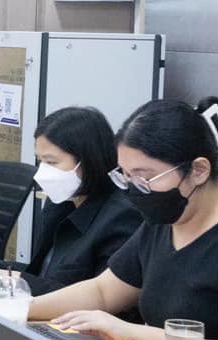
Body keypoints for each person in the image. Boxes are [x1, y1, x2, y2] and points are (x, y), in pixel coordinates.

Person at [30, 97, 218, 340]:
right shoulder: (161, 224)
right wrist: (21, 308)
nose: (135, 190)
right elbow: (103, 291)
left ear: (198, 170)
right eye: (125, 176)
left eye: (144, 176)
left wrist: (132, 332)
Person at [8, 106, 140, 294]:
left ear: (89, 160)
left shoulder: (122, 217)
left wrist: (7, 278)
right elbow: (40, 273)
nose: (43, 171)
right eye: (40, 161)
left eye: (51, 162)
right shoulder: (61, 201)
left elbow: (93, 296)